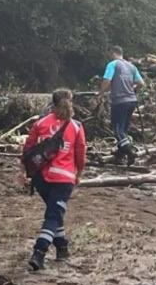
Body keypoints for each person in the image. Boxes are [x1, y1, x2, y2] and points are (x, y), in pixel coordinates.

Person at [21, 89, 87, 271]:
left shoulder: (40, 123)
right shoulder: (76, 127)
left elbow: (27, 150)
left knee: (55, 212)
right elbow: (80, 154)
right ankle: (39, 251)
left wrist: (24, 172)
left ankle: (62, 247)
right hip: (64, 179)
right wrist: (78, 174)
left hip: (41, 178)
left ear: (52, 102)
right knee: (53, 215)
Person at [98, 45, 144, 165]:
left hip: (120, 101)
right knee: (124, 129)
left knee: (117, 129)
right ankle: (120, 154)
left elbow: (107, 80)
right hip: (132, 101)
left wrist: (101, 93)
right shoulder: (132, 66)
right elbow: (141, 83)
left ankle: (129, 151)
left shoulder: (113, 64)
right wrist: (132, 89)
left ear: (113, 53)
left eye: (109, 54)